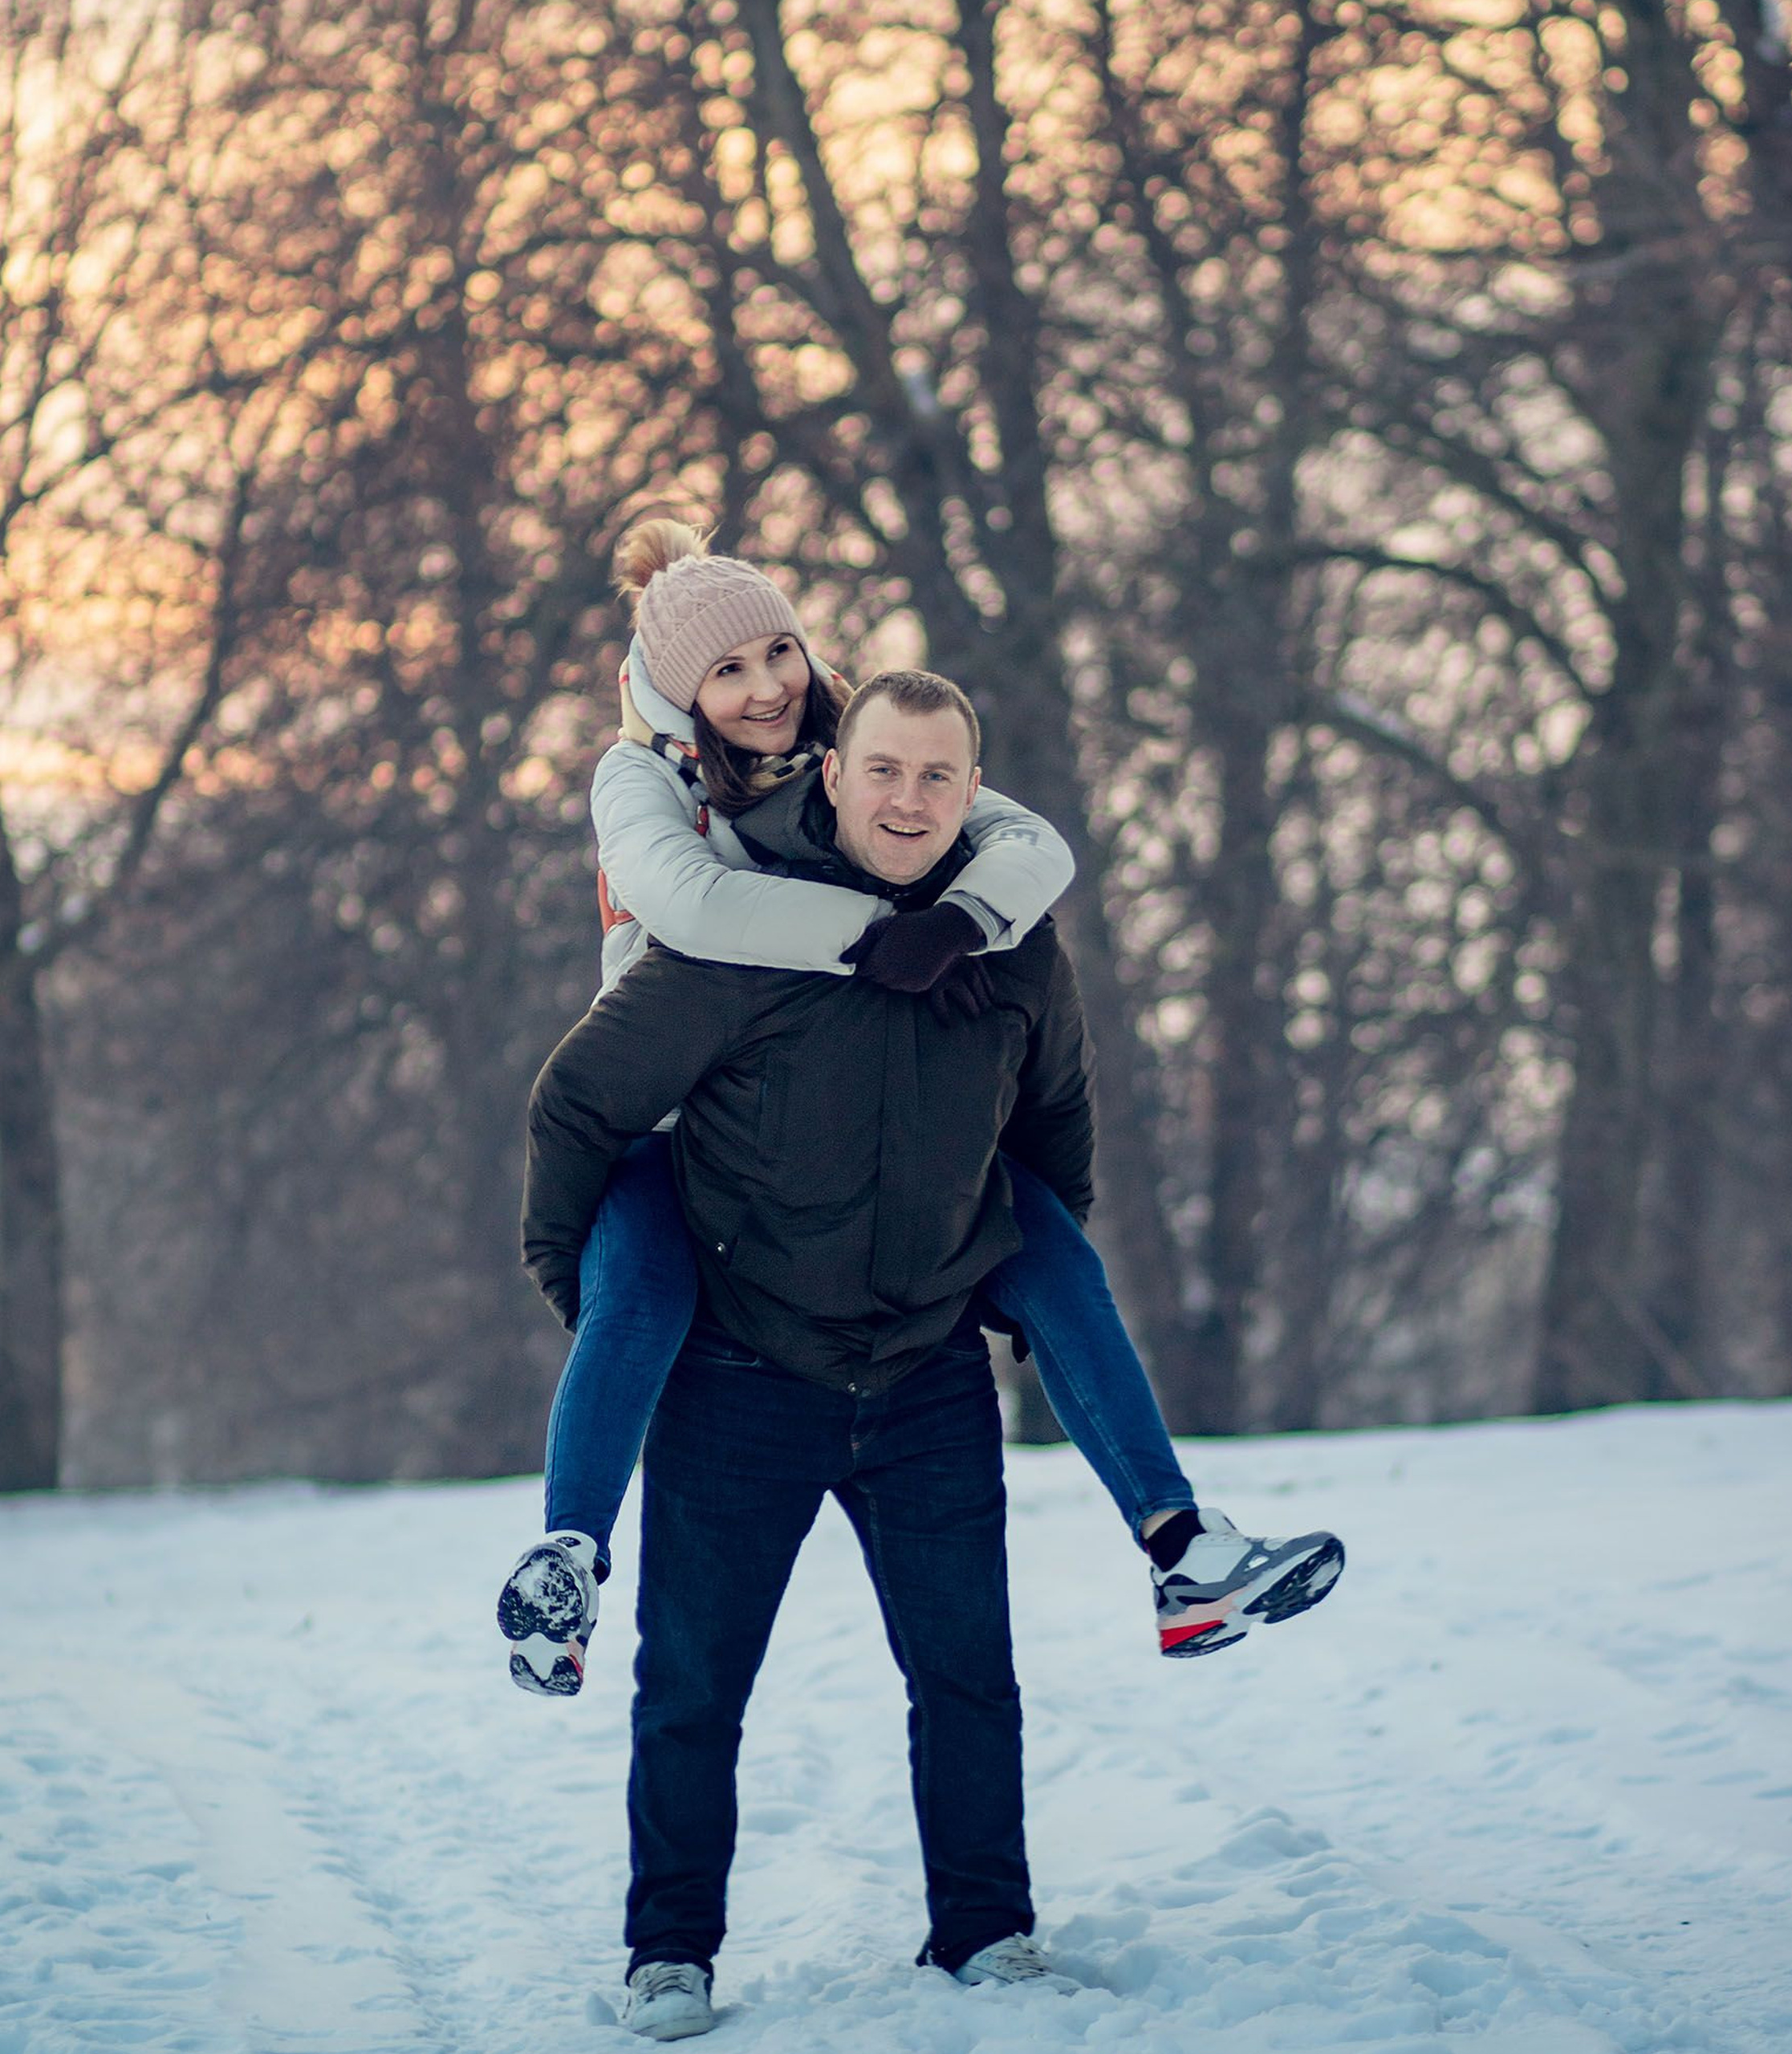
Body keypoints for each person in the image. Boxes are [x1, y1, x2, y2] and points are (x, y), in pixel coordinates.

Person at [522, 669, 1340, 2038]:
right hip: (744, 1379)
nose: (909, 799)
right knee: (692, 1691)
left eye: (939, 777)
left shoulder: (1013, 947)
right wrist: (577, 1276)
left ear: (975, 794)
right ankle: (671, 1952)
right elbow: (578, 1102)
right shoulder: (735, 938)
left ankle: (986, 1931)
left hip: (924, 1382)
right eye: (886, 770)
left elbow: (1057, 1128)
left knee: (967, 1677)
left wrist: (996, 1274)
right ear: (835, 773)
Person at [498, 522, 1342, 1699]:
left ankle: (1183, 1551)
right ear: (677, 691)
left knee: (1045, 1239)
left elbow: (1032, 843)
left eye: (777, 653)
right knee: (636, 1292)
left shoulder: (860, 740)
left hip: (845, 1117)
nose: (763, 689)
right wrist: (880, 939)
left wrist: (963, 923)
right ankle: (569, 1559)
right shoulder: (641, 777)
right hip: (683, 1120)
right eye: (726, 672)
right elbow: (687, 905)